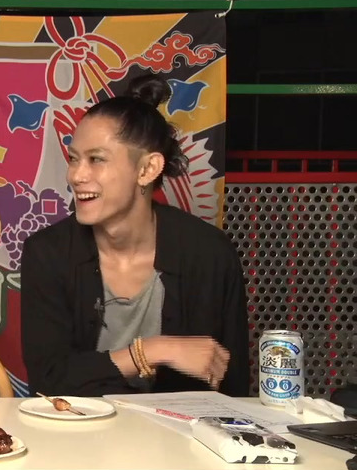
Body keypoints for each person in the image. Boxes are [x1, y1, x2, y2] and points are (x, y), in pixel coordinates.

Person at [20, 74, 249, 397]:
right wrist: (154, 351)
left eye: (96, 159)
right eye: (74, 159)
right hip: (79, 427)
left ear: (147, 169)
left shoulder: (209, 253)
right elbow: (49, 380)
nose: (76, 175)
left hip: (181, 429)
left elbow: (231, 384)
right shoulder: (48, 253)